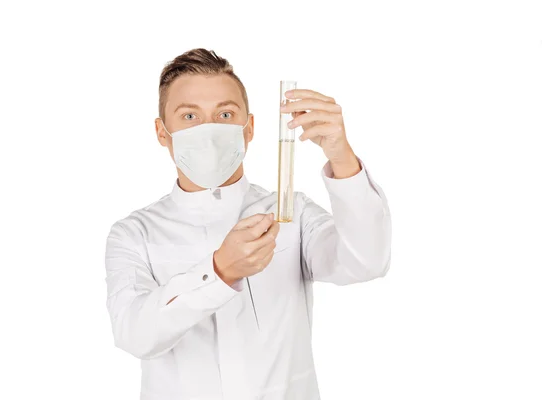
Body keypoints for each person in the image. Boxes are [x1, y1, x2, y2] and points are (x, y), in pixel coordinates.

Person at [104, 48, 392, 400]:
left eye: (225, 114)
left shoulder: (291, 212)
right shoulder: (134, 233)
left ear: (249, 127)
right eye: (190, 116)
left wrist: (342, 156)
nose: (209, 131)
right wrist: (219, 271)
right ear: (163, 133)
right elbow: (134, 333)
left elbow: (366, 261)